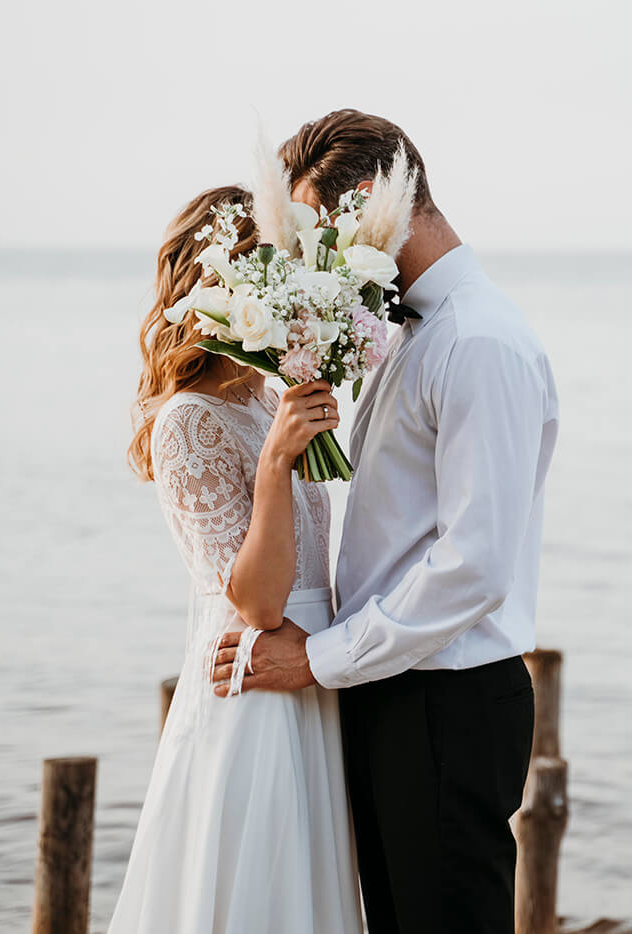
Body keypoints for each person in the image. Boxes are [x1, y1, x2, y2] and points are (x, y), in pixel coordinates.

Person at [210, 110, 560, 933]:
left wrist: (318, 660)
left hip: (448, 701)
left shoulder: (478, 340)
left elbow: (473, 566)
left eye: (315, 232)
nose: (310, 258)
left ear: (371, 202)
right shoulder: (412, 334)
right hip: (396, 692)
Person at [110, 185, 362, 934]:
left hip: (313, 667)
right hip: (255, 685)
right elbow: (256, 603)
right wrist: (275, 462)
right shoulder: (187, 420)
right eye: (264, 276)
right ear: (215, 287)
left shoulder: (266, 395)